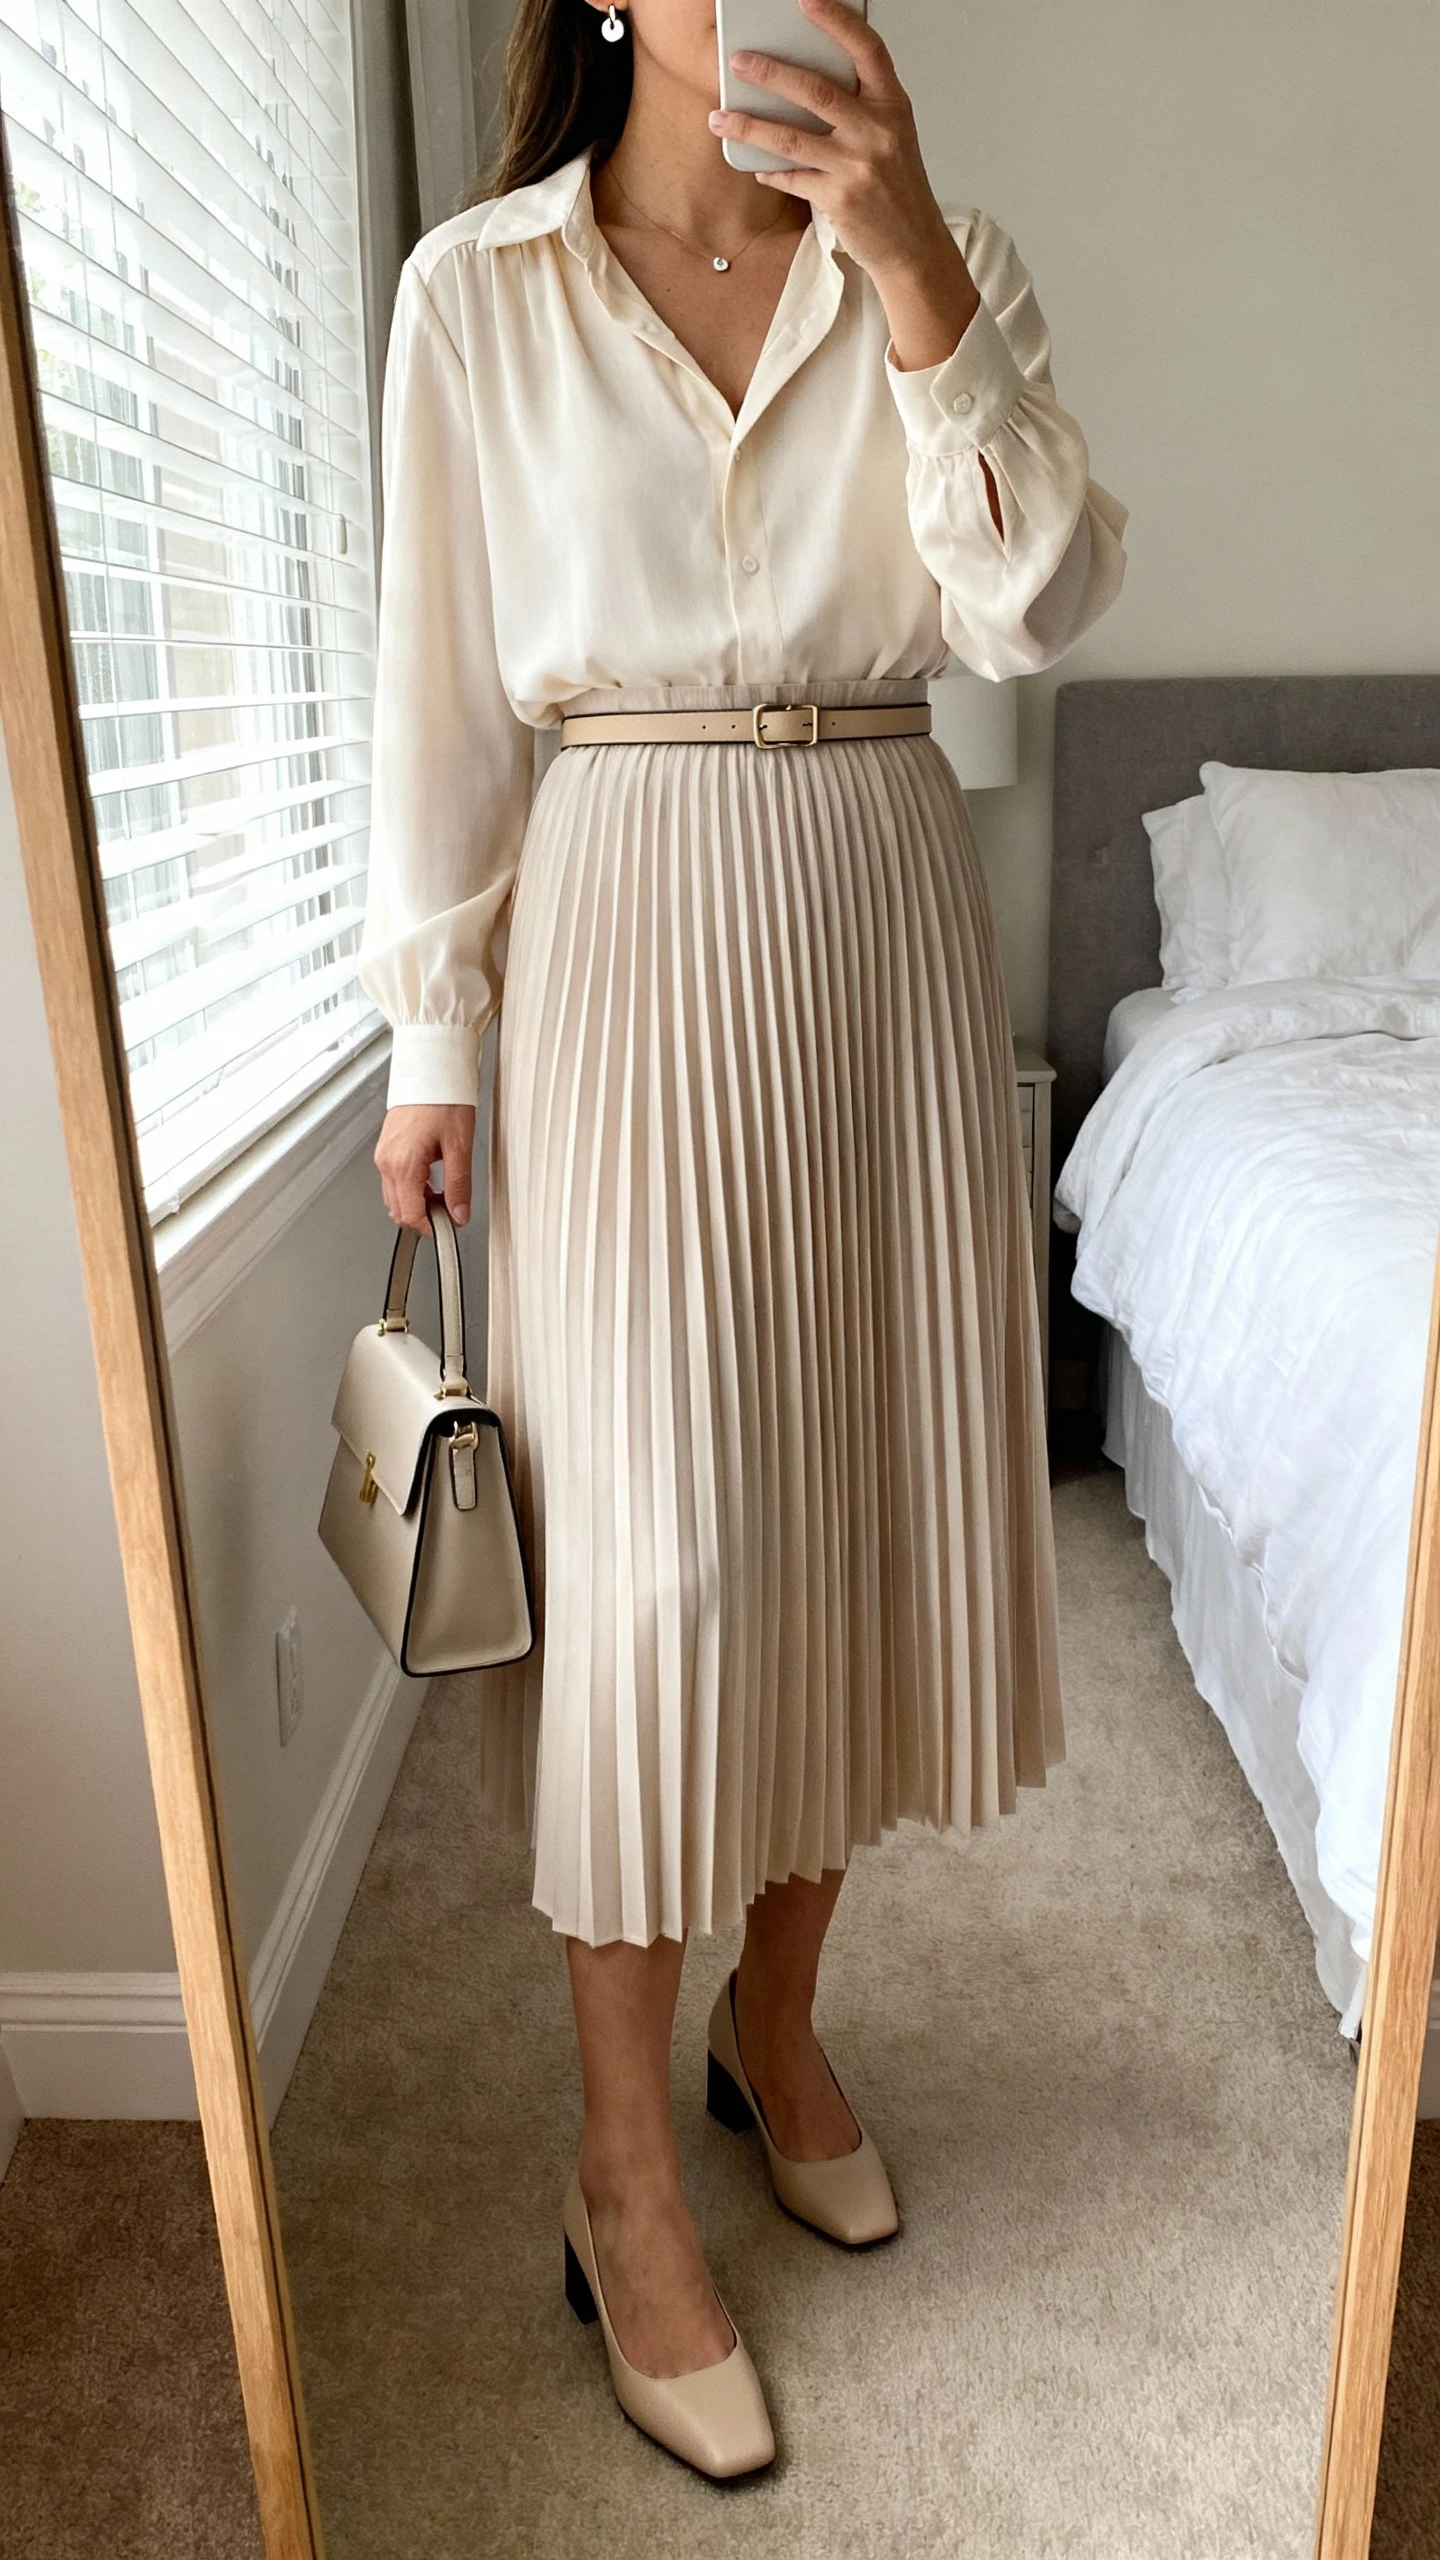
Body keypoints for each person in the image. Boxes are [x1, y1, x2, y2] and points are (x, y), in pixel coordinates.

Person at [359, 0, 1125, 2478]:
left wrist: (907, 256)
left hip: (884, 910)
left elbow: (1038, 601)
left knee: (852, 1542)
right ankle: (618, 2167)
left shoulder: (949, 256)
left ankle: (770, 2024)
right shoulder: (478, 291)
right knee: (660, 1580)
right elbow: (438, 704)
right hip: (619, 919)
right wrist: (428, 1038)